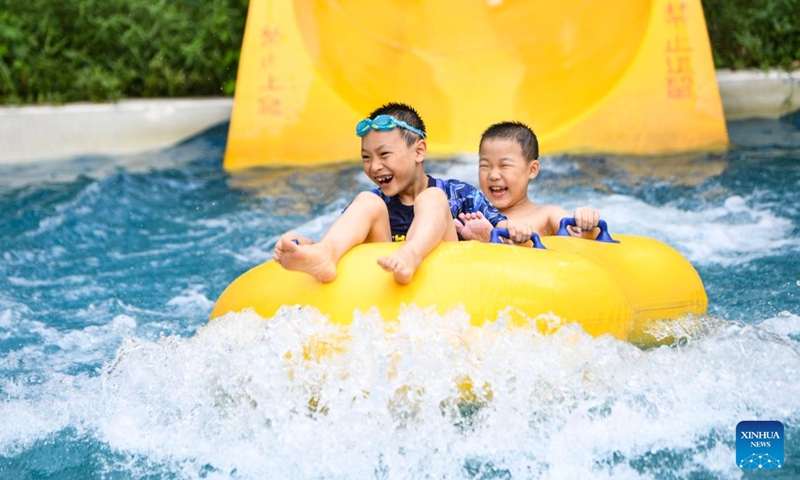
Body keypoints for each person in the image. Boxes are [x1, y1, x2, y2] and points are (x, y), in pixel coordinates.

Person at [273, 103, 524, 285]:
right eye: (366, 158)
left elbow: (506, 233)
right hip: (385, 281)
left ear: (419, 151)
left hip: (446, 281)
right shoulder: (375, 203)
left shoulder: (458, 194)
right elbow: (347, 236)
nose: (374, 166)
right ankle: (325, 256)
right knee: (366, 200)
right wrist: (306, 245)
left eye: (384, 155)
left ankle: (412, 253)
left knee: (432, 197)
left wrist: (499, 233)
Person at [460, 121, 600, 241]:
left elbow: (581, 240)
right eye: (484, 166)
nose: (493, 175)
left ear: (532, 170)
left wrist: (587, 223)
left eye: (505, 165)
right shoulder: (474, 217)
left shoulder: (546, 216)